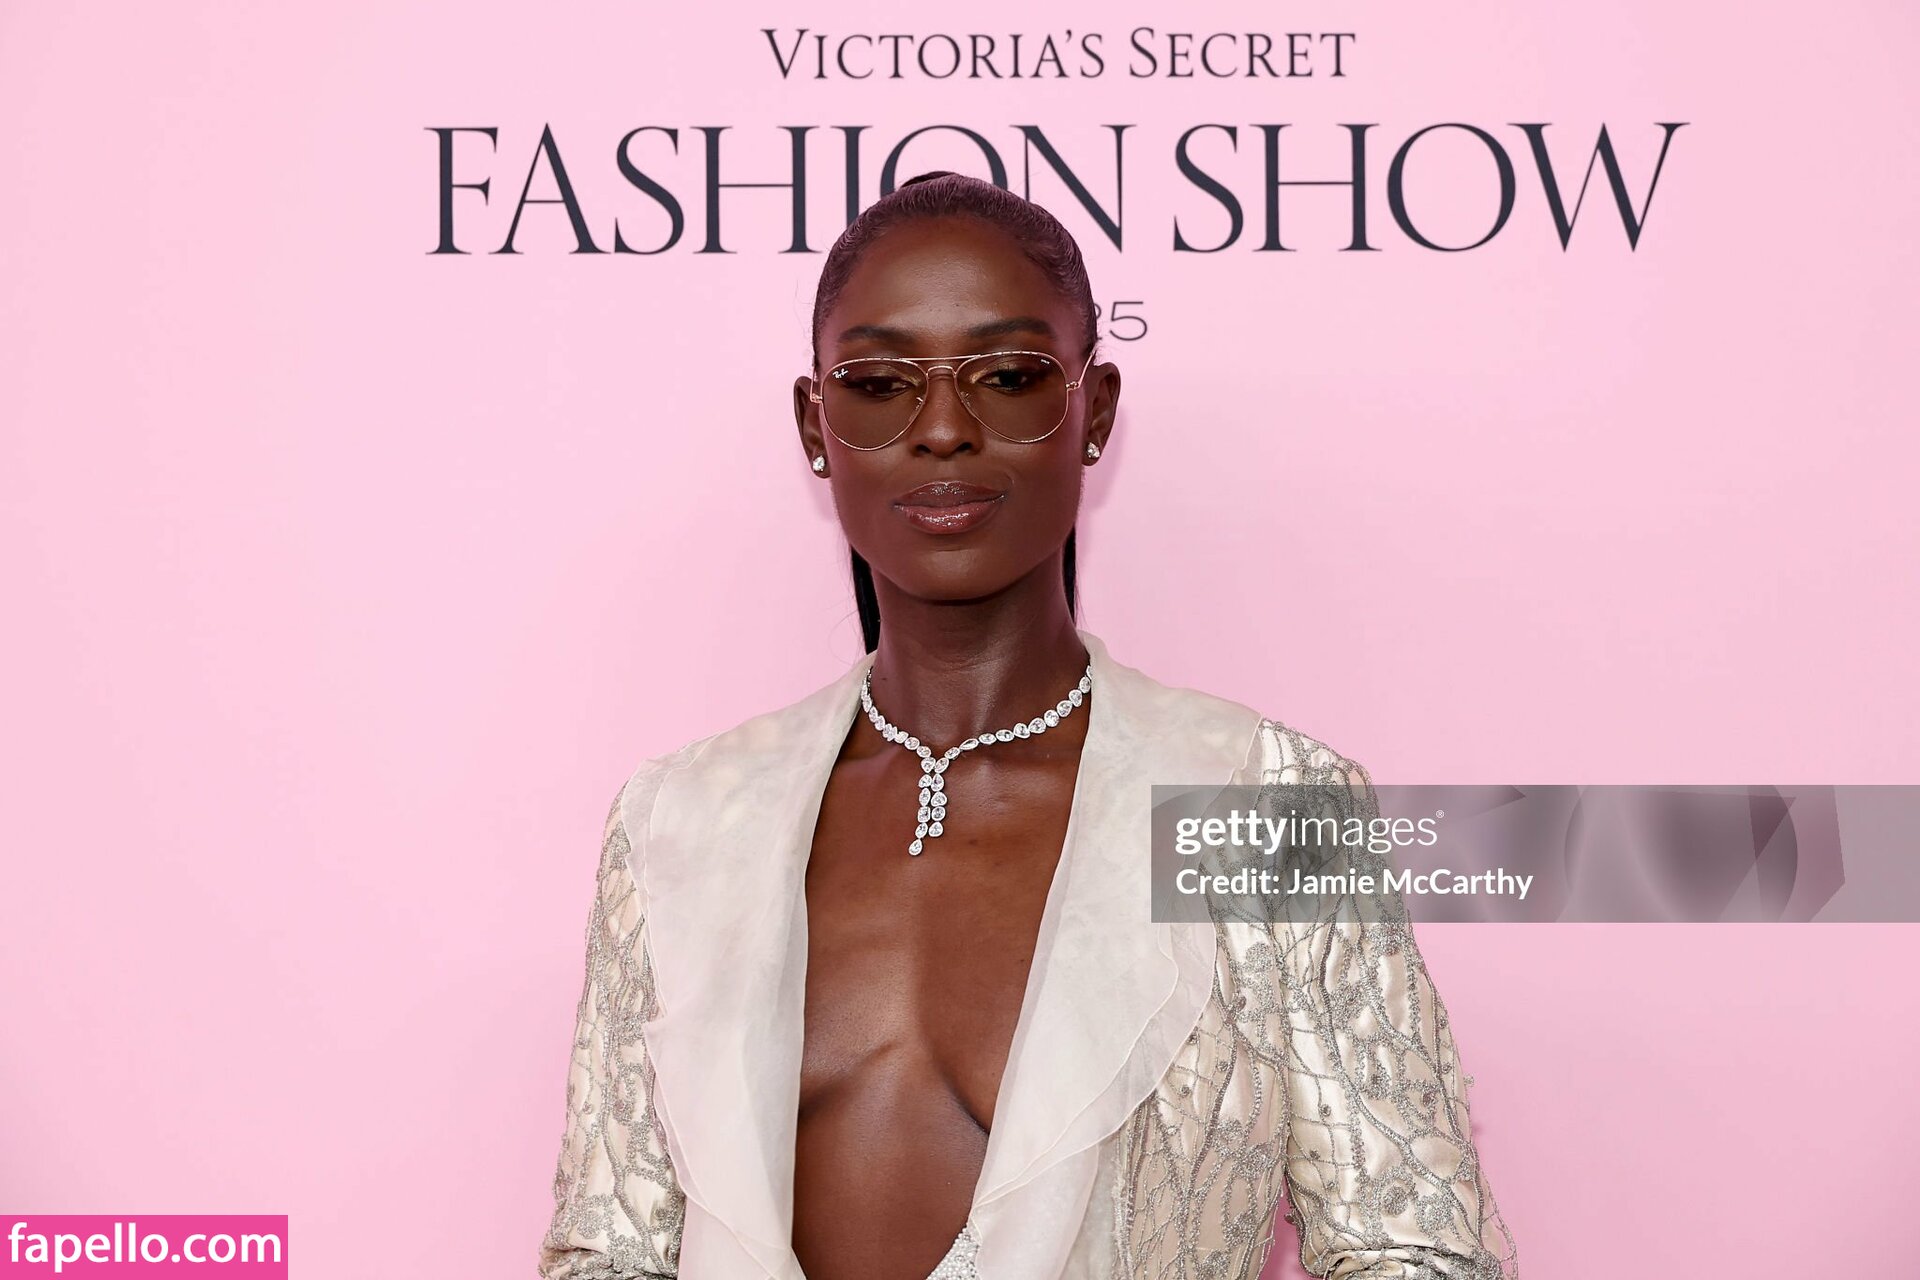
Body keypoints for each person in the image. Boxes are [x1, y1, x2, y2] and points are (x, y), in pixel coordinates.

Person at [536, 172, 1518, 1280]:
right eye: (879, 384)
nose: (944, 431)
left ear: (1094, 411)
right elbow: (606, 1252)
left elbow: (1417, 1248)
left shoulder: (1266, 807)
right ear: (816, 425)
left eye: (1008, 378)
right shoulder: (679, 822)